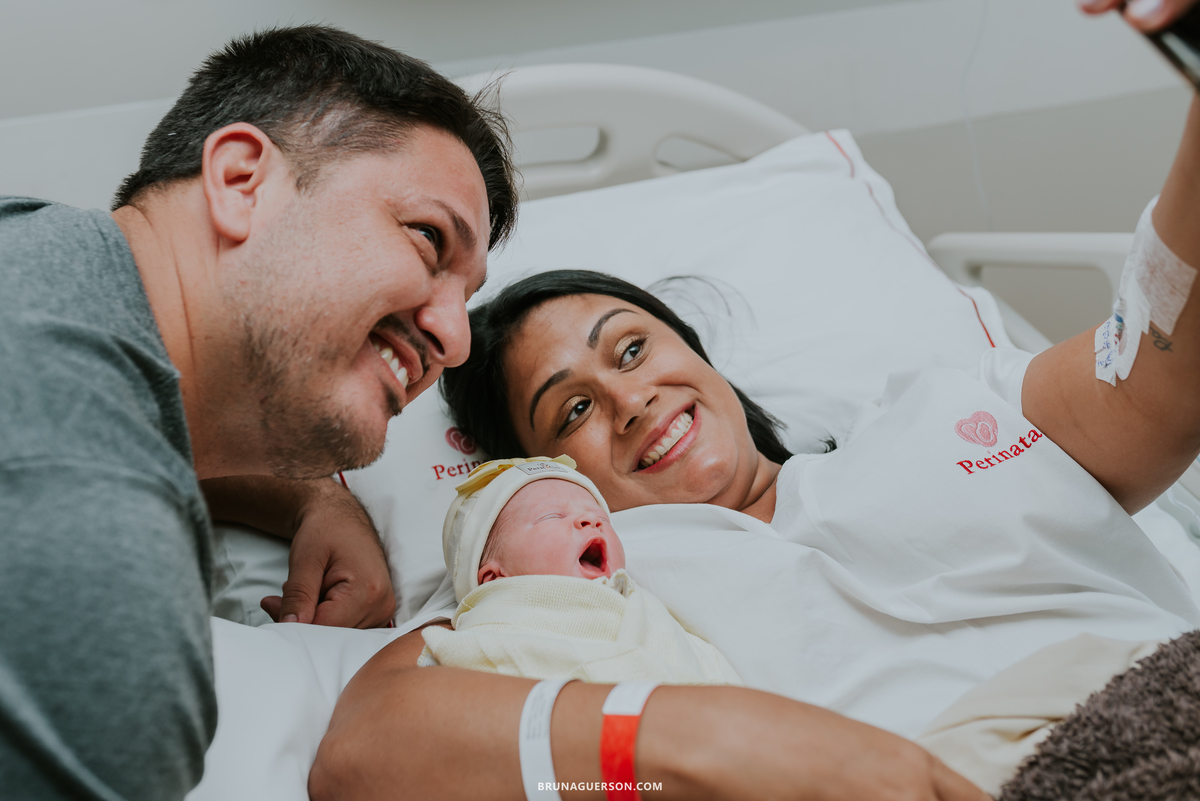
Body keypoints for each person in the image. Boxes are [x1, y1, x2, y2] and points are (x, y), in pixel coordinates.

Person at [311, 4, 1200, 800]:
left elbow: (1158, 364)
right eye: (570, 410)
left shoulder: (952, 411)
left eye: (632, 347)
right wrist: (718, 740)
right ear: (545, 471)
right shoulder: (579, 588)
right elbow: (365, 748)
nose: (628, 398)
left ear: (702, 360)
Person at [0, 25, 518, 801]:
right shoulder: (104, 579)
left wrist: (318, 495)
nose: (454, 339)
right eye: (426, 238)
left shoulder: (37, 250)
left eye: (467, 297)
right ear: (242, 180)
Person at [421, 455, 741, 685]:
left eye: (599, 516)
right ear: (494, 577)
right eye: (551, 516)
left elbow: (703, 669)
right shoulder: (495, 622)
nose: (591, 521)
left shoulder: (642, 607)